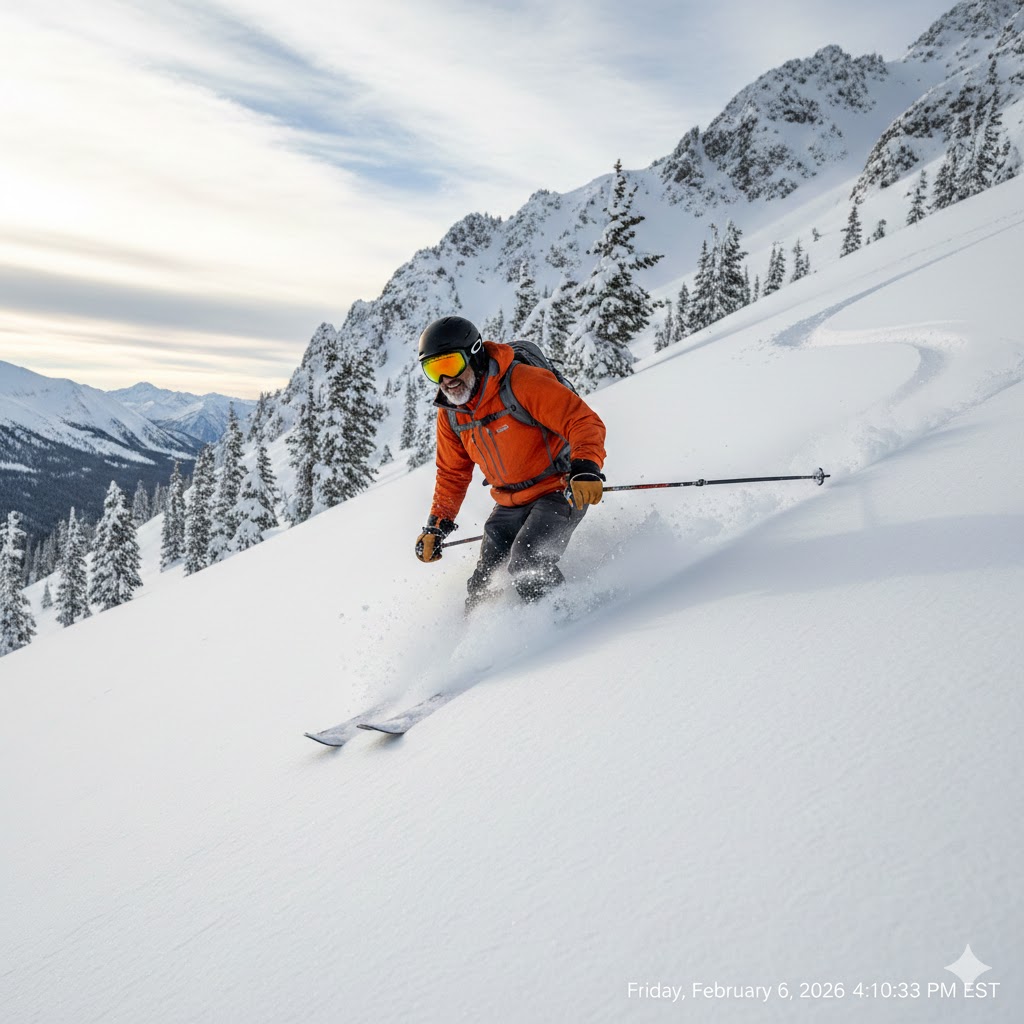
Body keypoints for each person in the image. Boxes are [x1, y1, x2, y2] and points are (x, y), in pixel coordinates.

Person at [413, 315, 607, 612]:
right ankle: (481, 649)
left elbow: (581, 421)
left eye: (450, 364)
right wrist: (436, 526)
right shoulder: (452, 414)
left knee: (527, 564)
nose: (446, 380)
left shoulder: (521, 382)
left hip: (559, 488)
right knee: (482, 584)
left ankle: (568, 629)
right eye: (433, 370)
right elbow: (452, 472)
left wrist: (585, 468)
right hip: (508, 503)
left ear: (475, 354)